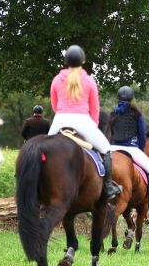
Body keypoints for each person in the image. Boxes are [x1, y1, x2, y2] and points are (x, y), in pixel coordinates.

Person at [47, 45, 121, 199]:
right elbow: (95, 108)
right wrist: (93, 125)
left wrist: (62, 114)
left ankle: (38, 187)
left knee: (43, 151)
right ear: (83, 61)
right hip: (83, 120)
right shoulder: (89, 80)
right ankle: (108, 187)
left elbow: (54, 104)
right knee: (106, 149)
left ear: (66, 61)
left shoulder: (57, 80)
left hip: (60, 119)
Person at [109, 85, 149, 212]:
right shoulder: (136, 114)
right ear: (131, 98)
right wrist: (141, 147)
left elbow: (108, 131)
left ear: (118, 98)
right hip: (131, 148)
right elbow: (142, 135)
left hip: (112, 148)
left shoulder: (113, 113)